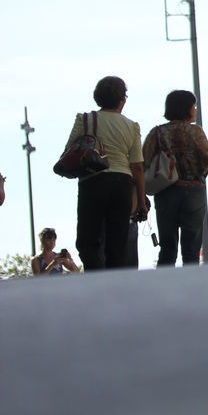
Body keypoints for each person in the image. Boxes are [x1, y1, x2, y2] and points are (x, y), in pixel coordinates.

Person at [65, 76, 149, 271]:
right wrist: (142, 201)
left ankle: (95, 276)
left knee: (87, 240)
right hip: (122, 183)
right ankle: (113, 284)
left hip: (92, 181)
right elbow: (137, 167)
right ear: (122, 100)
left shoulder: (85, 120)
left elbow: (70, 149)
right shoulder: (132, 126)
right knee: (117, 241)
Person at [142, 90, 208, 268]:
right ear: (186, 108)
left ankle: (164, 288)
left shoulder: (157, 133)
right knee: (191, 249)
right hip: (194, 192)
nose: (196, 109)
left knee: (168, 248)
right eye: (194, 106)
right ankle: (190, 289)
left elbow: (144, 161)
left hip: (166, 192)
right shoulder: (195, 132)